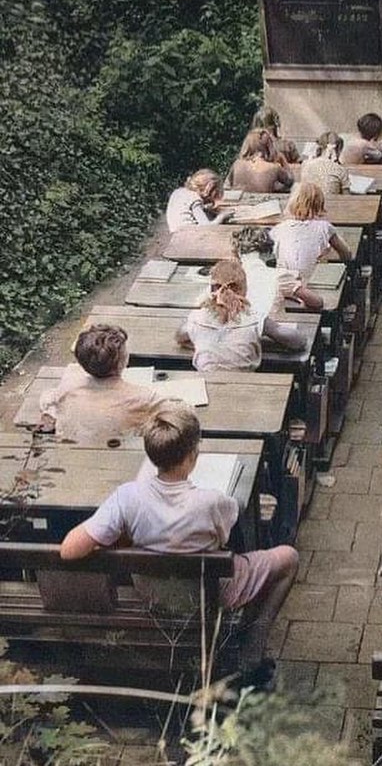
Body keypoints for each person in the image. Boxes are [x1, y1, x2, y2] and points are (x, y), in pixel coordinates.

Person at [59, 401, 299, 688]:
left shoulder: (128, 497)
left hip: (153, 593)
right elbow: (223, 538)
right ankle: (253, 645)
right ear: (192, 456)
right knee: (288, 557)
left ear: (151, 456)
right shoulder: (212, 501)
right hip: (206, 595)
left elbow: (69, 550)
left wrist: (121, 537)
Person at [37, 324, 164, 444]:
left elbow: (46, 399)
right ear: (123, 360)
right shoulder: (144, 398)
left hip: (71, 455)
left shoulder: (68, 386)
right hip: (120, 458)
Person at [176, 259, 306, 371]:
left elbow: (179, 336)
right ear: (244, 290)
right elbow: (297, 341)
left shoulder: (198, 317)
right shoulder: (254, 317)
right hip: (244, 386)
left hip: (206, 386)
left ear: (212, 289)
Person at [269, 183, 352, 306]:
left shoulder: (278, 229)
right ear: (319, 204)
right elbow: (346, 254)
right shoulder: (324, 227)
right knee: (344, 278)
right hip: (313, 284)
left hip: (284, 284)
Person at [166, 169, 232, 233]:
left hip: (175, 234)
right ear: (210, 188)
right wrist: (222, 216)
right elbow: (206, 228)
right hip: (188, 235)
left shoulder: (178, 192)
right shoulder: (194, 198)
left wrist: (206, 209)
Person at [229, 129, 293, 193]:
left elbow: (228, 184)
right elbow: (290, 181)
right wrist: (284, 161)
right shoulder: (274, 168)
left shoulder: (237, 165)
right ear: (269, 147)